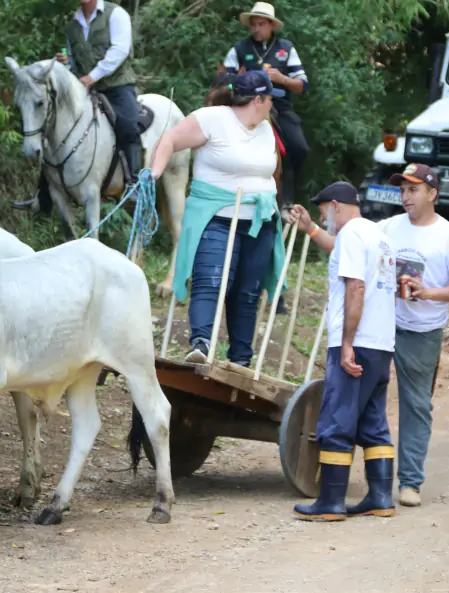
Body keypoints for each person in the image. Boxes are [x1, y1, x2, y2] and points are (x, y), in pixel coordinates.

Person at [148, 70, 287, 366]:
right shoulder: (211, 118)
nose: (272, 105)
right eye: (270, 99)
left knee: (248, 293)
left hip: (259, 222)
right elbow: (169, 140)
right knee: (210, 280)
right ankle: (201, 343)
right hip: (217, 217)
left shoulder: (266, 128)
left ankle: (240, 360)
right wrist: (155, 173)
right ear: (258, 100)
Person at [288, 181, 398, 521]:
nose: (324, 218)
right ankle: (380, 497)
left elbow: (356, 287)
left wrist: (347, 342)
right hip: (381, 342)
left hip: (356, 341)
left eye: (323, 211)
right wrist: (311, 229)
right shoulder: (378, 235)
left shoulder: (351, 234)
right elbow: (338, 250)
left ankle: (331, 501)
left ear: (336, 205)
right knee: (373, 421)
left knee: (337, 417)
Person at [380, 164, 449, 507]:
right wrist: (314, 229)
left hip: (422, 332)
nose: (405, 196)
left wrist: (428, 293)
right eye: (402, 190)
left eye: (413, 190)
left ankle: (410, 483)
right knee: (363, 395)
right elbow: (351, 243)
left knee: (416, 405)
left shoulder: (448, 237)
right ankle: (363, 475)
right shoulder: (388, 227)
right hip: (381, 324)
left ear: (432, 193)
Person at [15, 0, 141, 215]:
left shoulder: (116, 14)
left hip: (117, 87)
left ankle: (133, 183)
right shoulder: (72, 25)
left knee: (128, 125)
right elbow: (74, 62)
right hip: (83, 88)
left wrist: (92, 77)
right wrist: (67, 63)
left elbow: (119, 51)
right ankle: (43, 196)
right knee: (52, 130)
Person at [222, 2, 310, 207]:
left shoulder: (286, 48)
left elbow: (303, 84)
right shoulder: (240, 48)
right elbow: (223, 79)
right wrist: (241, 79)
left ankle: (287, 197)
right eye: (253, 24)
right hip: (246, 105)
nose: (256, 28)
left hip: (279, 104)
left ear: (271, 25)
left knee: (300, 148)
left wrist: (282, 78)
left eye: (261, 24)